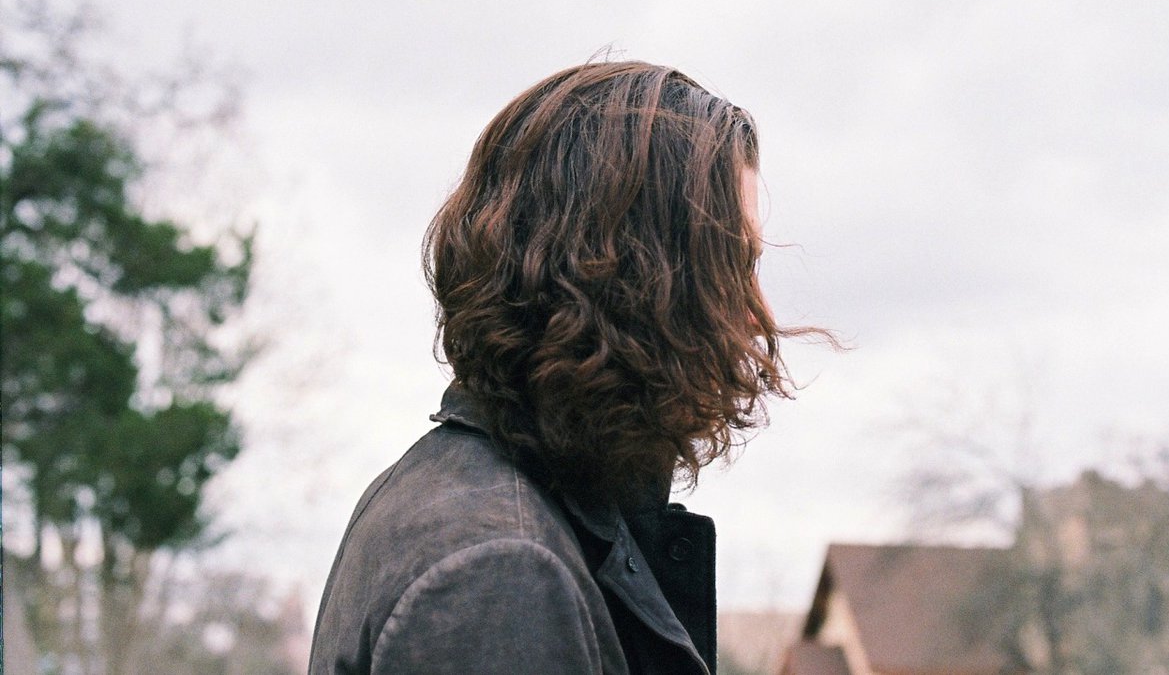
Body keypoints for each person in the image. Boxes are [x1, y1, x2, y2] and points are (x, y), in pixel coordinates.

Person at [309, 61, 822, 674]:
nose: (757, 315)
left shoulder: (455, 495)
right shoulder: (501, 570)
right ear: (636, 275)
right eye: (734, 265)